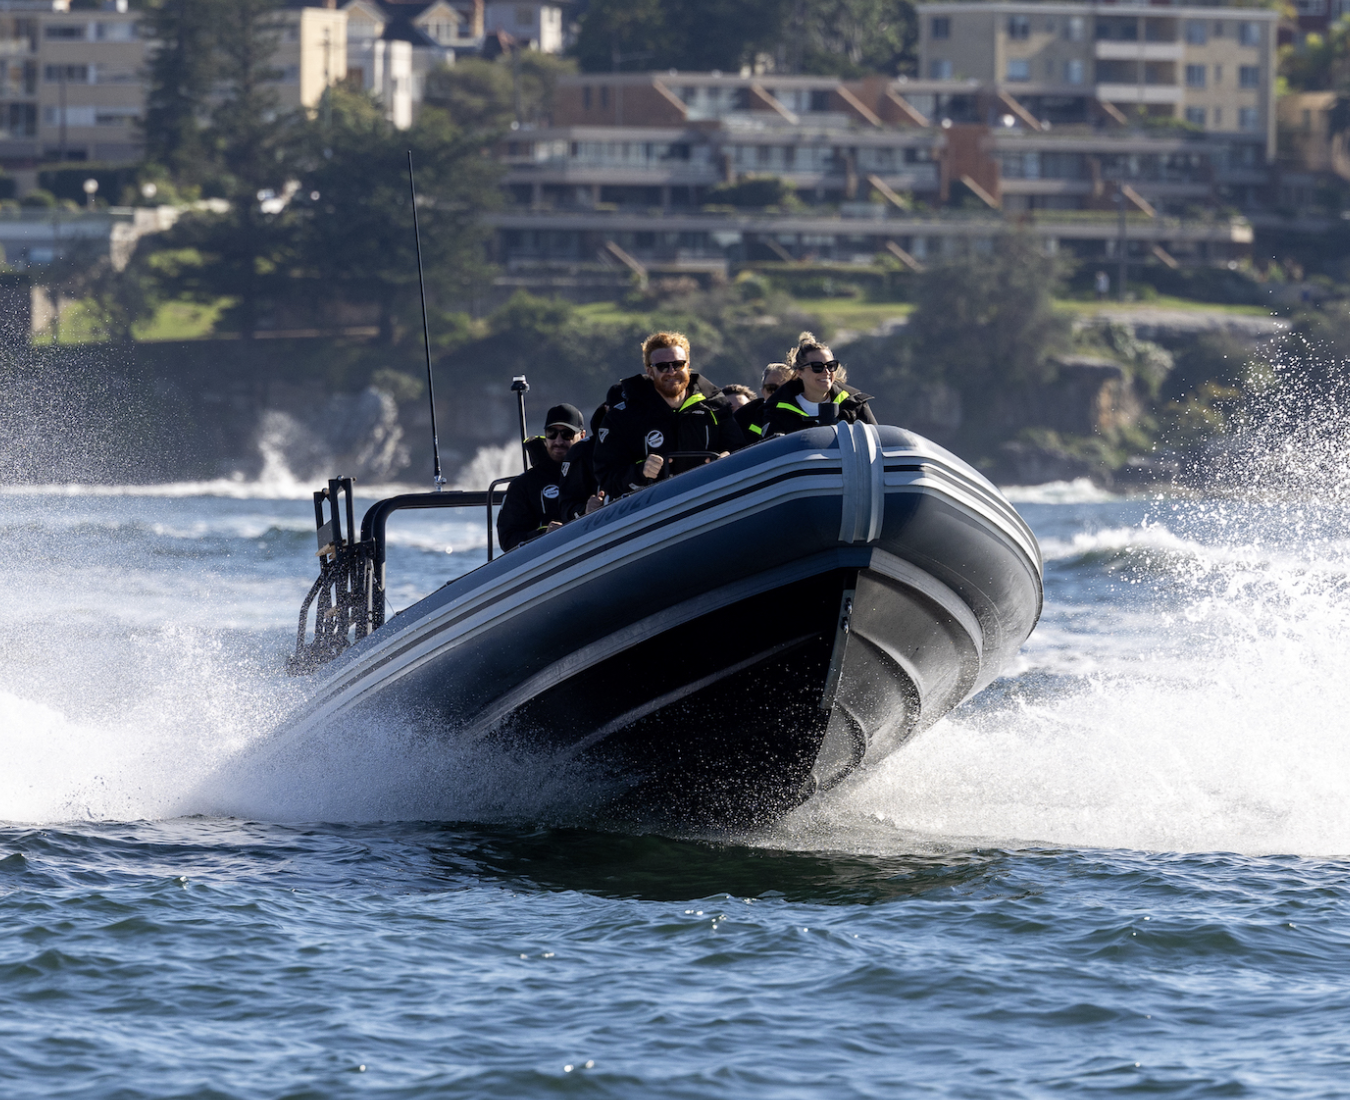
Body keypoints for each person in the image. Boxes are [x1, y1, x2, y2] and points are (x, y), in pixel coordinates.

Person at [592, 331, 745, 500]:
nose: (672, 372)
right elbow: (606, 475)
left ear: (688, 365)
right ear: (650, 371)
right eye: (663, 366)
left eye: (678, 364)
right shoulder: (622, 417)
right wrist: (641, 472)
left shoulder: (714, 404)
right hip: (652, 510)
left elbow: (740, 450)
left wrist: (728, 458)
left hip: (709, 500)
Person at [749, 332, 876, 440]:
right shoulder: (774, 412)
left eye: (831, 366)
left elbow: (877, 444)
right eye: (817, 367)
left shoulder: (854, 406)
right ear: (799, 372)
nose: (826, 372)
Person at [495, 403, 585, 551]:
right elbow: (508, 539)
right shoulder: (524, 485)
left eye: (566, 434)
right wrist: (544, 534)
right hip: (545, 561)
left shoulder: (597, 471)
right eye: (552, 433)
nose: (558, 441)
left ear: (581, 436)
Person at [735, 363, 791, 437]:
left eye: (783, 388)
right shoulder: (744, 417)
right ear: (763, 391)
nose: (777, 393)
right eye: (771, 388)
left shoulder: (805, 415)